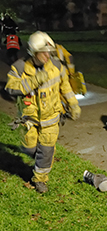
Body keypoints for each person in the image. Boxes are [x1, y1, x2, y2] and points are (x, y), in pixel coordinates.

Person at [5, 31, 81, 193]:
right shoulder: (20, 67)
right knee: (29, 148)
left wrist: (73, 104)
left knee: (46, 151)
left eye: (49, 52)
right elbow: (10, 88)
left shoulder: (57, 66)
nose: (47, 56)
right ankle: (38, 159)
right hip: (29, 120)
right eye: (43, 52)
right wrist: (34, 81)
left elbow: (65, 87)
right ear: (33, 52)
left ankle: (40, 179)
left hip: (51, 119)